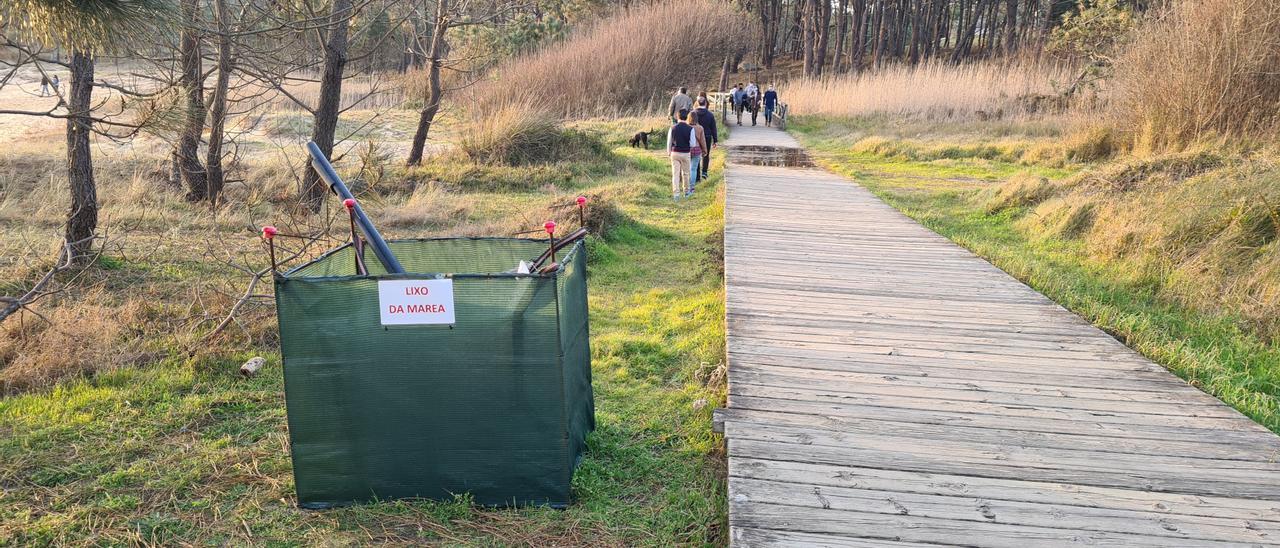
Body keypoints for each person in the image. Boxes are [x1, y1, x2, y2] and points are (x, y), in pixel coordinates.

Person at [667, 108, 696, 200]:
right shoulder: (690, 129)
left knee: (675, 174)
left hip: (674, 153)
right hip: (685, 153)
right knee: (686, 173)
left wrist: (669, 152)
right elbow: (693, 144)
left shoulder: (672, 128)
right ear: (687, 117)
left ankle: (676, 194)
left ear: (677, 116)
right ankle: (686, 192)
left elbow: (669, 142)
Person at [693, 96, 718, 181]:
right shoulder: (710, 115)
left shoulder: (693, 113)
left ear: (697, 103)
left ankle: (696, 175)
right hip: (707, 136)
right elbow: (713, 128)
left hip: (695, 136)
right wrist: (715, 140)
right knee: (706, 154)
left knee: (696, 155)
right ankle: (704, 172)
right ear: (706, 103)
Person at [686, 109, 708, 196]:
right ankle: (692, 187)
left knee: (686, 169)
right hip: (697, 149)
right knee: (693, 169)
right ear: (696, 118)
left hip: (687, 150)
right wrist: (705, 150)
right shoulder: (700, 128)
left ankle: (686, 185)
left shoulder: (686, 126)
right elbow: (703, 141)